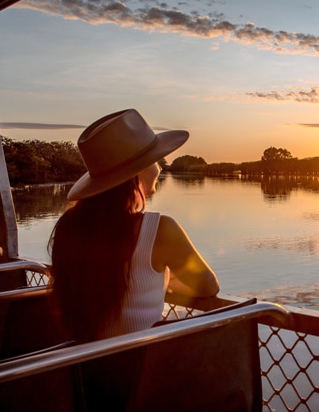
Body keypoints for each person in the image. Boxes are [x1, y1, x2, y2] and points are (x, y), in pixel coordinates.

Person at [49, 108, 219, 343]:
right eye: (154, 159)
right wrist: (166, 282)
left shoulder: (68, 227)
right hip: (142, 372)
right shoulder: (159, 229)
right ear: (136, 173)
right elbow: (208, 287)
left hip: (81, 369)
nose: (159, 166)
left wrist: (159, 280)